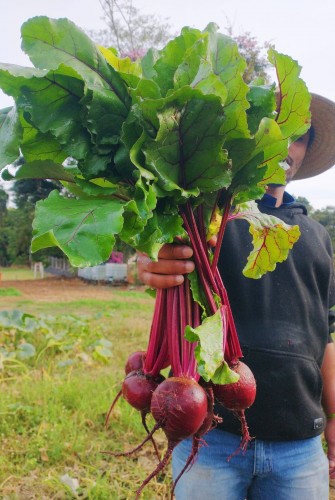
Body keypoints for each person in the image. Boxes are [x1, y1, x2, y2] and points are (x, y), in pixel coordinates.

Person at [137, 93, 335, 500]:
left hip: (300, 442)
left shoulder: (317, 236)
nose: (286, 146)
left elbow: (326, 335)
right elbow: (164, 254)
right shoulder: (205, 215)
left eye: (299, 137)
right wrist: (153, 253)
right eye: (274, 132)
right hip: (210, 436)